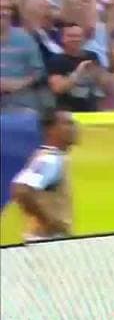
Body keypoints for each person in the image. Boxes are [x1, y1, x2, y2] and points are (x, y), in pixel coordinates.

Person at [10, 109, 77, 242]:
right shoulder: (50, 159)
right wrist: (49, 222)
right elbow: (21, 190)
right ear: (50, 130)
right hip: (48, 241)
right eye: (68, 124)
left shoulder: (55, 158)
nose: (74, 129)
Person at [45, 23, 105, 112]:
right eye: (71, 36)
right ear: (63, 38)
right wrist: (78, 72)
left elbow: (102, 83)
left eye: (78, 36)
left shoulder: (92, 56)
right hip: (68, 113)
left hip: (93, 111)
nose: (75, 39)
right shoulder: (56, 60)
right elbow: (57, 88)